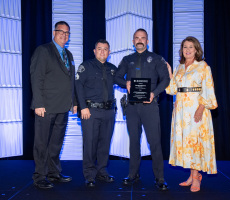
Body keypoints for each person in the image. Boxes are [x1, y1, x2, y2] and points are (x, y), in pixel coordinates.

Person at [115, 28, 169, 190]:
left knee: (155, 143)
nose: (140, 40)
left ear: (147, 41)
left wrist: (154, 93)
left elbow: (165, 79)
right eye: (137, 38)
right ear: (133, 41)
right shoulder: (127, 59)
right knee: (133, 143)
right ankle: (133, 174)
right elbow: (116, 77)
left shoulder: (157, 59)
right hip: (131, 107)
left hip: (150, 106)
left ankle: (159, 178)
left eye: (143, 38)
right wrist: (126, 84)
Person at [166, 36, 218, 192]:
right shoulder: (180, 67)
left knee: (195, 142)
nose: (187, 50)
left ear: (196, 49)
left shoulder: (203, 66)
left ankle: (196, 178)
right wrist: (170, 73)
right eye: (184, 47)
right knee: (187, 142)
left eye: (190, 47)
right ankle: (192, 175)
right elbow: (172, 89)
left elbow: (208, 90)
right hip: (181, 111)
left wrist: (201, 108)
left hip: (196, 108)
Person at [30, 21, 77, 189]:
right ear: (54, 32)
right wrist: (38, 103)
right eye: (61, 31)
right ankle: (40, 176)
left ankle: (54, 172)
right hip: (46, 106)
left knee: (56, 142)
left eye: (67, 33)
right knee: (42, 143)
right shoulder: (43, 51)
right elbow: (36, 78)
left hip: (63, 106)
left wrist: (74, 102)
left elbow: (71, 81)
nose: (64, 35)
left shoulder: (69, 55)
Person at [75, 39, 117, 187]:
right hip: (90, 111)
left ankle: (102, 172)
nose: (102, 51)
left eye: (105, 49)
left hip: (109, 111)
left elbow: (125, 82)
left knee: (104, 144)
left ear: (109, 52)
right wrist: (82, 107)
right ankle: (89, 175)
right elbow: (78, 86)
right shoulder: (85, 66)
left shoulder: (113, 68)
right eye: (99, 49)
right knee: (90, 144)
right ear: (94, 51)